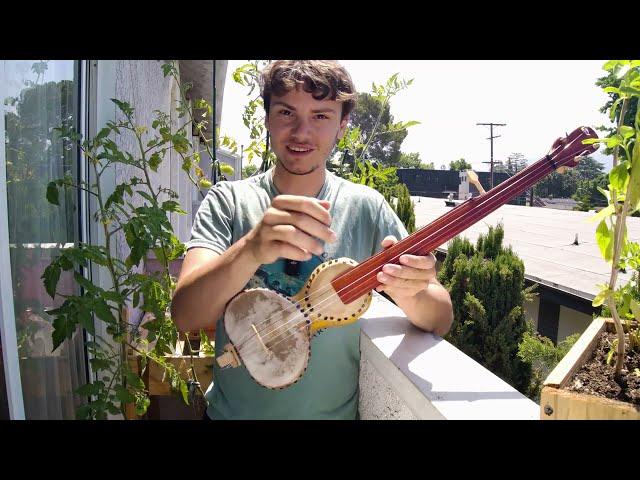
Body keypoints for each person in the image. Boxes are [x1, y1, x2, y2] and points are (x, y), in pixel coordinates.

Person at [171, 60, 453, 420]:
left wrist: (411, 292)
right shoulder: (229, 201)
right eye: (286, 112)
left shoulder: (366, 208)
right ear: (268, 118)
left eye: (320, 115)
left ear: (343, 124)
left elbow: (440, 318)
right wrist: (252, 248)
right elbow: (185, 315)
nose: (301, 132)